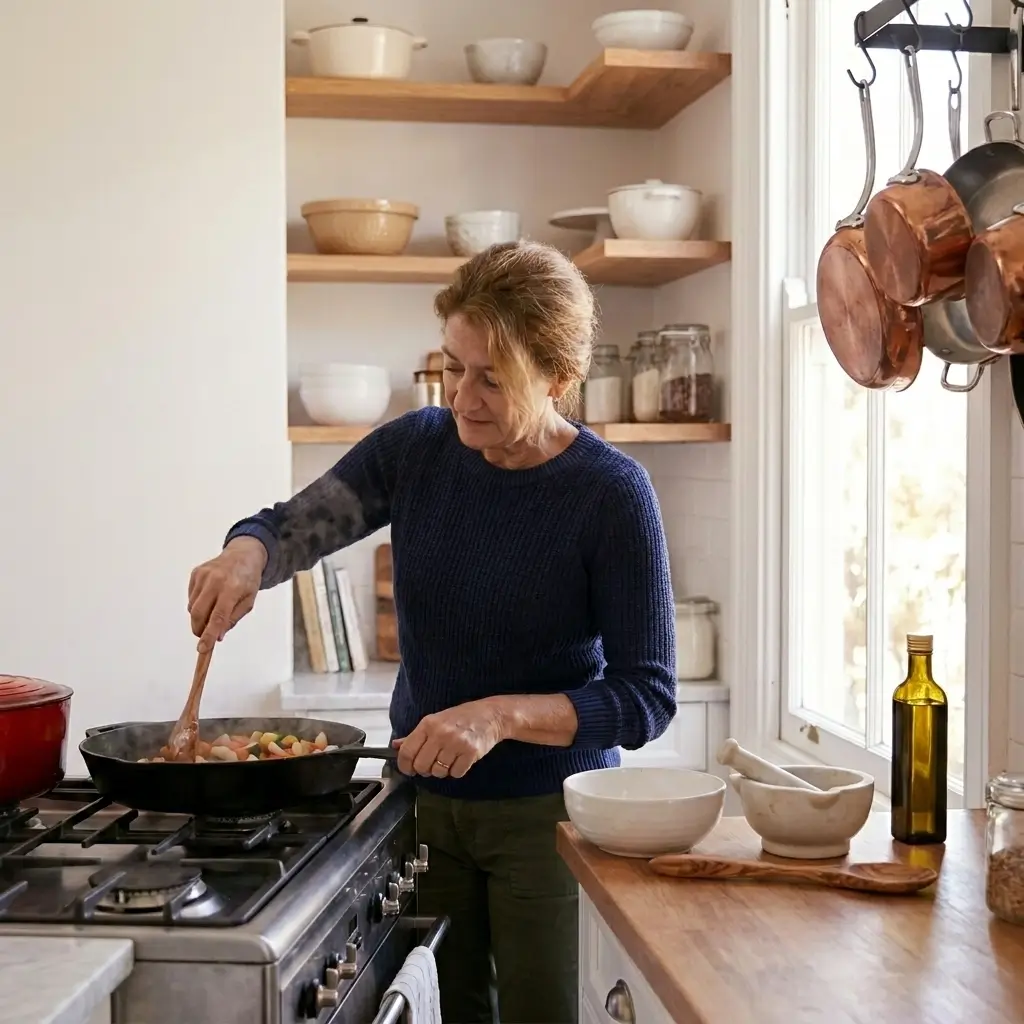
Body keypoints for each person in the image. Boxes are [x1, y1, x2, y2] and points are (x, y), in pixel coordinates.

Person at [187, 240, 677, 1023]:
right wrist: (246, 556)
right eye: (454, 365)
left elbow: (646, 698)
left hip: (547, 817)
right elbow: (296, 527)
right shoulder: (417, 449)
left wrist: (500, 716)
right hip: (420, 807)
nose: (463, 398)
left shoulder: (611, 495)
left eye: (493, 377)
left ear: (556, 379)